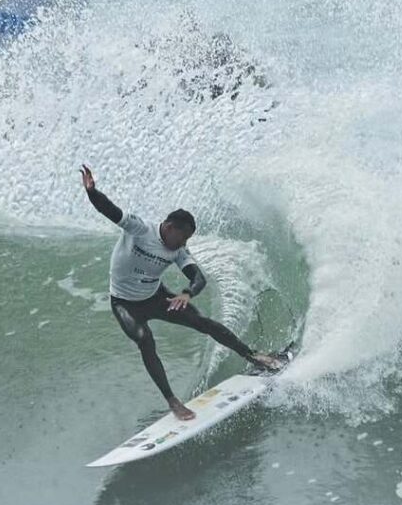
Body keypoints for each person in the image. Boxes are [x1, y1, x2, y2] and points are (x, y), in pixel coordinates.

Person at [80, 164, 282, 420]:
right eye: (184, 236)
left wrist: (187, 293)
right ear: (170, 227)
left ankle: (253, 356)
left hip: (155, 297)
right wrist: (92, 192)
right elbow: (110, 210)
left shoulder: (177, 251)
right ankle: (173, 401)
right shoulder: (140, 230)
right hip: (124, 303)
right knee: (144, 339)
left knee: (201, 322)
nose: (185, 243)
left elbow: (198, 277)